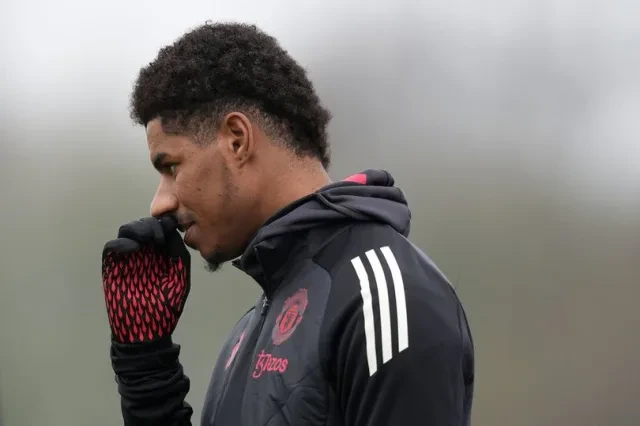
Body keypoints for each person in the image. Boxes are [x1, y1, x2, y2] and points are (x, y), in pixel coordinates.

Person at [101, 22, 474, 426]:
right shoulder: (250, 330)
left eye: (171, 167)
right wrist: (148, 371)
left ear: (237, 140)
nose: (160, 204)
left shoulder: (384, 300)